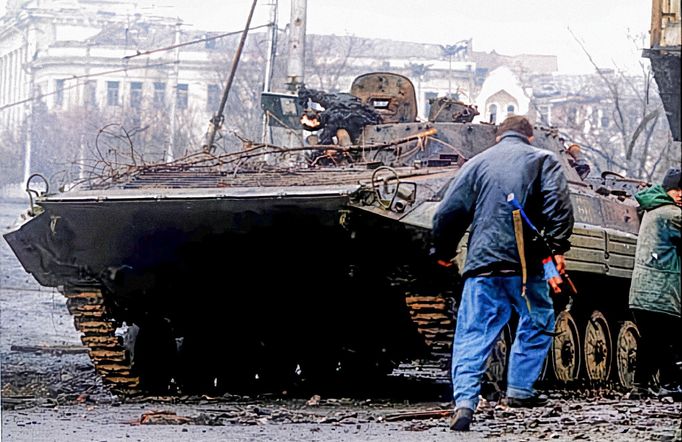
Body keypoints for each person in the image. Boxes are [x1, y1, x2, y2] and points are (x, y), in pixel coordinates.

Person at [432, 115, 574, 431]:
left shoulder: (476, 164)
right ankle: (520, 390)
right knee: (538, 319)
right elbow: (558, 205)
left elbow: (447, 212)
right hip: (526, 267)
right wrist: (557, 248)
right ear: (530, 137)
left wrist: (443, 252)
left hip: (482, 265)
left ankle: (465, 403)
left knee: (473, 332)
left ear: (497, 136)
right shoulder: (543, 159)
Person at [628, 167, 681, 398]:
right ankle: (670, 385)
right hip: (661, 292)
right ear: (667, 189)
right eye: (676, 189)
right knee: (666, 340)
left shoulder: (652, 210)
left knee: (651, 340)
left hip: (643, 292)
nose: (680, 194)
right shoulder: (671, 215)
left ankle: (640, 386)